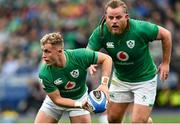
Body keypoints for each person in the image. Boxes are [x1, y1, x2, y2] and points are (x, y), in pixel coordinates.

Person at [87, 0, 172, 123]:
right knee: (113, 119)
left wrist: (165, 63)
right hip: (121, 79)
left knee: (137, 121)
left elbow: (166, 34)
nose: (114, 21)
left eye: (118, 17)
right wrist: (90, 61)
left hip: (145, 80)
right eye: (110, 17)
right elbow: (88, 52)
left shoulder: (140, 28)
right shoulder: (100, 32)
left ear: (126, 17)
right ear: (105, 17)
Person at [34, 32, 112, 123]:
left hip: (79, 97)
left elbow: (107, 59)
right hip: (56, 101)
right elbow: (57, 99)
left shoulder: (80, 56)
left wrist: (104, 84)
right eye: (43, 51)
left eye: (47, 51)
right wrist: (79, 105)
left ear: (59, 50)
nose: (43, 56)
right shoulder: (44, 73)